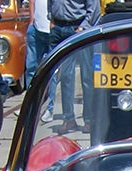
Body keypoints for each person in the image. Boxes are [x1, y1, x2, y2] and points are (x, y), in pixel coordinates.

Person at [46, 0, 92, 130]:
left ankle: (88, 120)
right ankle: (69, 119)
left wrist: (84, 26)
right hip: (59, 28)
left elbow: (93, 9)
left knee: (87, 77)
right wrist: (51, 18)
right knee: (66, 76)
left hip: (79, 28)